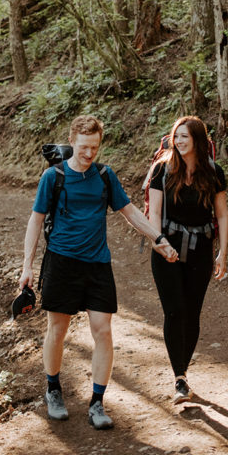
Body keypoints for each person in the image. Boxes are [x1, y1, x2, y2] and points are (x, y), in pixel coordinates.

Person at [19, 114, 170, 429]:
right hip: (61, 262)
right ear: (72, 141)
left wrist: (157, 238)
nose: (89, 154)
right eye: (84, 147)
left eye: (95, 148)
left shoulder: (105, 176)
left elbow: (128, 211)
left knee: (103, 331)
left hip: (97, 264)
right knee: (57, 330)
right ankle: (53, 389)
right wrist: (27, 267)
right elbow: (36, 220)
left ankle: (97, 403)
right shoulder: (54, 177)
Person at [147, 115, 228, 405]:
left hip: (201, 250)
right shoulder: (162, 170)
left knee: (192, 313)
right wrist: (158, 242)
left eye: (185, 137)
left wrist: (223, 251)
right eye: (176, 136)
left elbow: (221, 214)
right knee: (175, 311)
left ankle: (183, 370)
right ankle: (179, 377)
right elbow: (153, 212)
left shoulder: (213, 171)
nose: (179, 141)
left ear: (197, 140)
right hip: (167, 248)